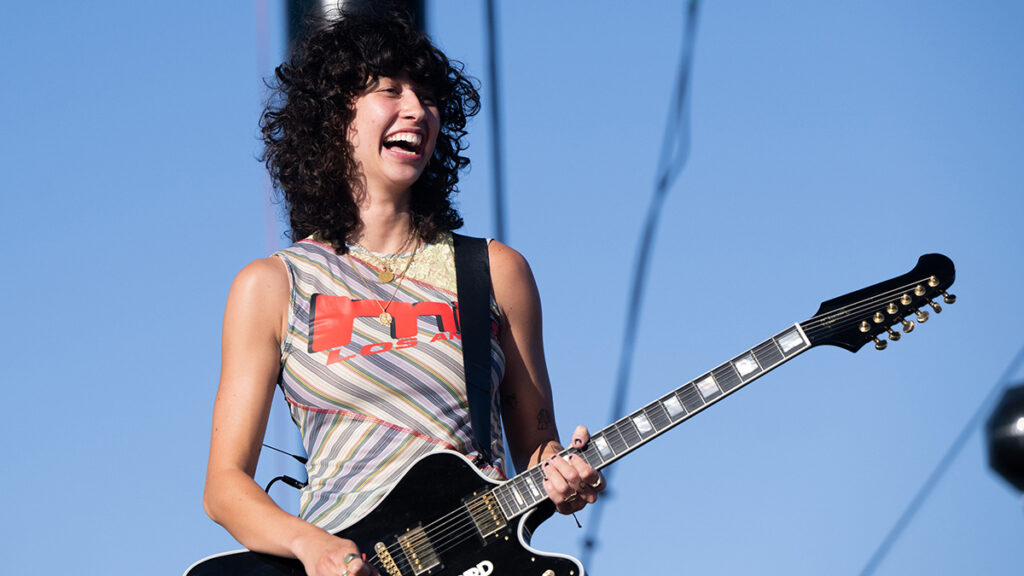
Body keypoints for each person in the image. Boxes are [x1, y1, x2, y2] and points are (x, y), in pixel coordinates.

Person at [202, 9, 604, 576]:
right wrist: (312, 545)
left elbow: (537, 451)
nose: (417, 109)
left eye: (429, 97)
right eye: (389, 90)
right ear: (334, 117)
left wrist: (563, 473)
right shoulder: (272, 285)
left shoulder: (496, 271)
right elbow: (224, 485)